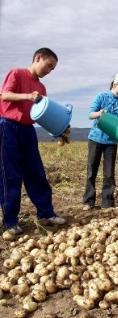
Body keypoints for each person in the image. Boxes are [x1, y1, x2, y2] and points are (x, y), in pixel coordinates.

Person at [0, 47, 66, 235]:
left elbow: (42, 115)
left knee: (36, 172)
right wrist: (28, 96)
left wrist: (60, 129)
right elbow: (4, 95)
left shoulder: (42, 88)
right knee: (10, 175)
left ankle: (46, 213)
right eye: (48, 66)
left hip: (28, 130)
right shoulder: (17, 73)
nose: (49, 71)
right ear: (38, 58)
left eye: (52, 69)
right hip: (8, 127)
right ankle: (11, 221)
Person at [82, 72, 118, 210]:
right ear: (115, 84)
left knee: (109, 173)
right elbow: (90, 114)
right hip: (96, 138)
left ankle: (107, 203)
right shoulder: (101, 96)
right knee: (92, 170)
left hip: (111, 141)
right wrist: (99, 113)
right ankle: (88, 201)